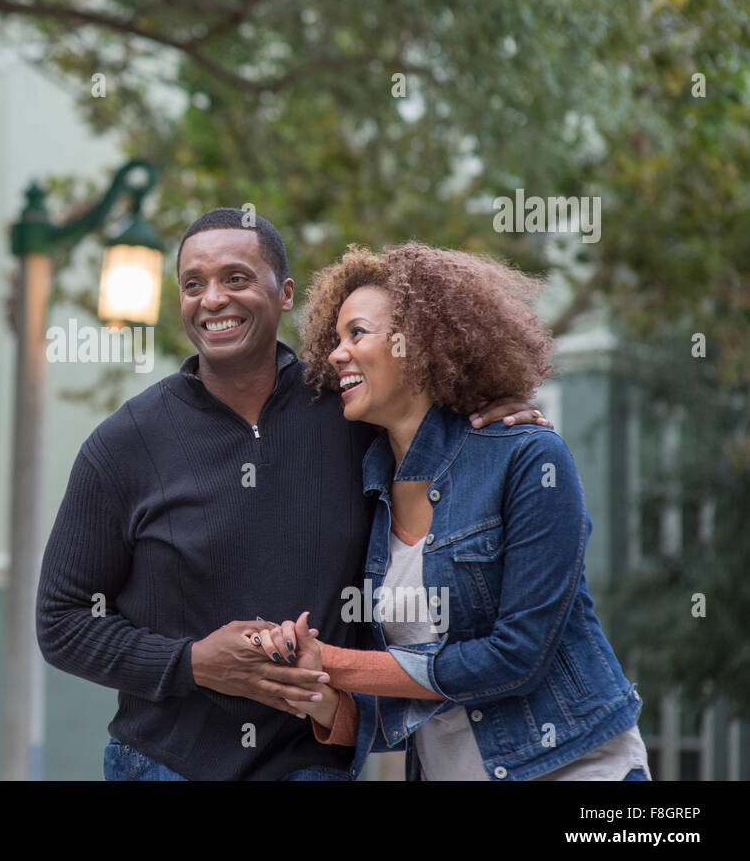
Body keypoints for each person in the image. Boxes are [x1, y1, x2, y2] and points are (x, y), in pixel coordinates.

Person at [35, 210, 547, 780]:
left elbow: (434, 421)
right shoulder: (124, 444)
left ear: (284, 294)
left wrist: (496, 409)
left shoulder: (354, 413)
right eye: (192, 284)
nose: (212, 300)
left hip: (311, 762)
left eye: (236, 278)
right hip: (162, 763)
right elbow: (61, 621)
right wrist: (193, 663)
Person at [244, 243, 650, 780]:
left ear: (421, 344)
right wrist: (311, 686)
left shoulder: (526, 456)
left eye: (357, 334)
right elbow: (407, 695)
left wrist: (336, 663)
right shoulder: (368, 491)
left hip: (571, 765)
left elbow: (517, 657)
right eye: (334, 339)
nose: (336, 354)